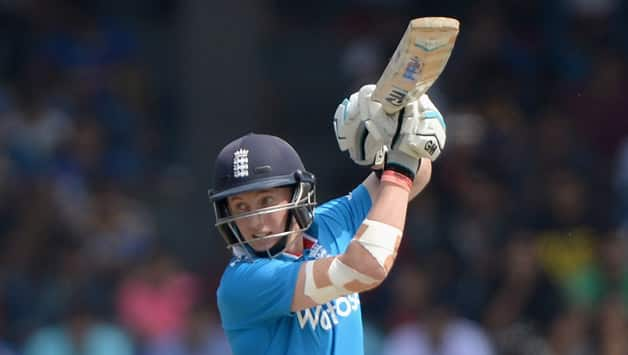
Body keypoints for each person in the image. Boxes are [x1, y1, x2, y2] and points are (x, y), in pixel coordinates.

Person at [209, 85, 447, 355]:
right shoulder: (244, 282)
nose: (255, 221)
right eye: (241, 207)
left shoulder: (326, 224)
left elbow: (413, 178)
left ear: (298, 195)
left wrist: (394, 138)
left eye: (266, 201)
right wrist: (400, 164)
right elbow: (366, 267)